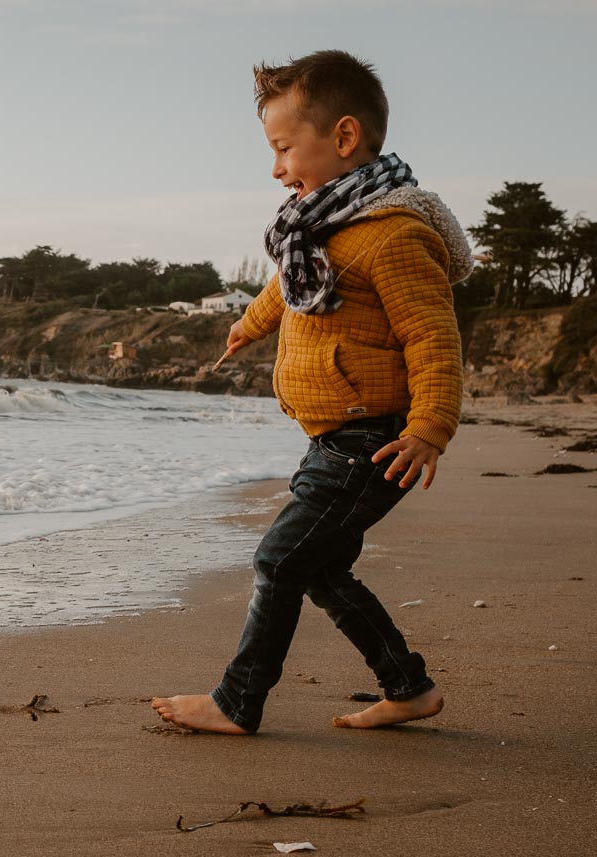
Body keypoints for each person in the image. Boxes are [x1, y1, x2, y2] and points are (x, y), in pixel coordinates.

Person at [152, 50, 471, 734]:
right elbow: (286, 291)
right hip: (335, 436)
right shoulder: (321, 227)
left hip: (374, 438)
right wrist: (250, 323)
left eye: (284, 149)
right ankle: (407, 686)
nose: (276, 169)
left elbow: (433, 338)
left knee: (278, 558)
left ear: (344, 138)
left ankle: (238, 700)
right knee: (321, 570)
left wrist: (431, 428)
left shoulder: (393, 238)